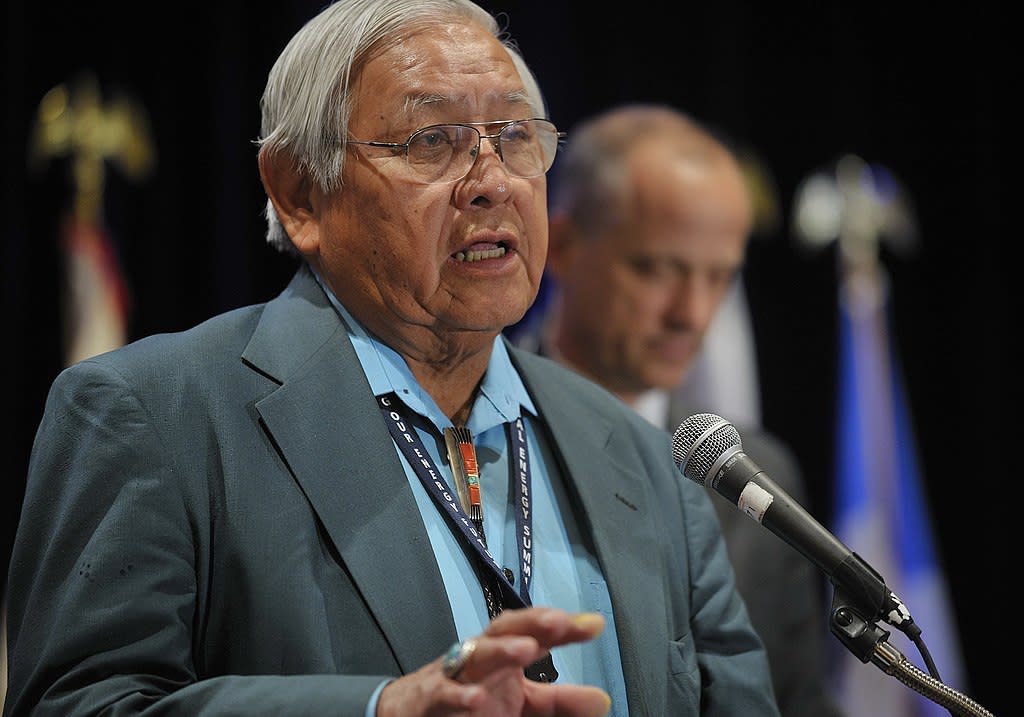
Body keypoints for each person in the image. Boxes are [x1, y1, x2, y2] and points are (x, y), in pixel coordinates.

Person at [2, 3, 780, 716]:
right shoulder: (157, 417)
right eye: (431, 141)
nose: (492, 183)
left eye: (515, 137)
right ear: (301, 192)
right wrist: (379, 710)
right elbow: (77, 704)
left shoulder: (645, 459)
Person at [514, 103, 845, 717]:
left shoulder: (758, 477)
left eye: (719, 277)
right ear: (559, 246)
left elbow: (797, 700)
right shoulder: (463, 433)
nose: (692, 313)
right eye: (658, 269)